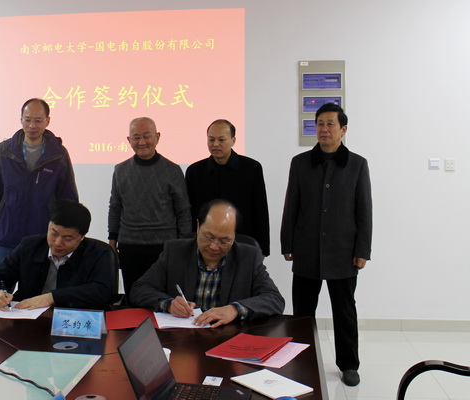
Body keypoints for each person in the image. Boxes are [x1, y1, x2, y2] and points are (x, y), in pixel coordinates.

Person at [280, 103, 372, 387]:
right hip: (307, 249)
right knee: (302, 313)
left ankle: (349, 365)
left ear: (343, 129)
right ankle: (301, 360)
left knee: (344, 312)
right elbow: (291, 205)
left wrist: (362, 250)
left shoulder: (357, 164)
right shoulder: (300, 163)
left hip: (343, 252)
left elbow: (364, 210)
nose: (324, 129)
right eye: (320, 123)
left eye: (330, 124)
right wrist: (287, 242)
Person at [130, 199, 285, 328]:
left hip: (227, 338)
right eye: (208, 237)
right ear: (198, 226)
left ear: (234, 236)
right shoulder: (175, 251)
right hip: (182, 340)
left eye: (224, 241)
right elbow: (139, 289)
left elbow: (274, 299)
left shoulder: (248, 257)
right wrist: (168, 304)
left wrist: (234, 309)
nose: (214, 246)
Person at [0, 98, 78, 267]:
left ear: (47, 121)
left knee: (38, 284)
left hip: (42, 238)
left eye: (38, 121)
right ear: (21, 119)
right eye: (28, 120)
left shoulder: (58, 154)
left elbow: (68, 198)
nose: (32, 125)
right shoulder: (4, 151)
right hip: (7, 235)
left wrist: (65, 236)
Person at [108, 117, 191, 300]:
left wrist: (184, 244)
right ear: (128, 140)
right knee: (134, 299)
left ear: (157, 137)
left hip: (165, 247)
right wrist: (112, 241)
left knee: (165, 300)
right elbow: (115, 207)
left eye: (147, 136)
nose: (142, 142)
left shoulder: (173, 170)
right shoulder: (120, 170)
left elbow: (183, 210)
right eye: (136, 137)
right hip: (130, 246)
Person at [0, 199, 116, 310]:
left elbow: (103, 291)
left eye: (67, 238)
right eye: (53, 233)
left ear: (82, 237)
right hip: (28, 320)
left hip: (74, 321)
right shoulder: (30, 246)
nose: (57, 243)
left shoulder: (99, 253)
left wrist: (52, 297)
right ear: (48, 226)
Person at [185, 119, 270, 256]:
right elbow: (190, 213)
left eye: (221, 140)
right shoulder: (195, 171)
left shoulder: (251, 168)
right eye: (211, 140)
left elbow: (260, 211)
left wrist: (262, 249)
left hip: (243, 242)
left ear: (233, 140)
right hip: (207, 245)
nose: (215, 144)